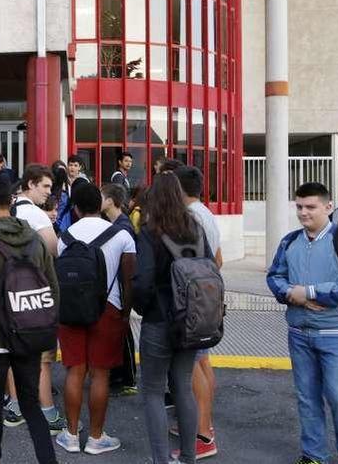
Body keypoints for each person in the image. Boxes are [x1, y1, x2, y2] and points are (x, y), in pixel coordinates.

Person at [266, 182, 338, 464]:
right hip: (299, 332)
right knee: (307, 397)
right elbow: (274, 276)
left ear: (327, 207)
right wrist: (291, 295)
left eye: (310, 207)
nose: (303, 213)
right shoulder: (289, 241)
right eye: (299, 207)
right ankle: (313, 454)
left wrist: (308, 292)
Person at [0, 176, 59, 464]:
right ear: (12, 201)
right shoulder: (34, 240)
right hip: (30, 334)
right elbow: (53, 288)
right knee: (31, 404)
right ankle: (48, 460)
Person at [133, 173, 211, 464]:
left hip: (159, 318)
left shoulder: (150, 231)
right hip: (191, 319)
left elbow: (142, 281)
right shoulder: (195, 228)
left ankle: (161, 460)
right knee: (183, 385)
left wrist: (142, 307)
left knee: (153, 391)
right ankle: (189, 457)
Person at [55, 184, 135, 456]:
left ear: (75, 208)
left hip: (71, 309)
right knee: (100, 373)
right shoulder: (122, 235)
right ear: (99, 205)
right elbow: (128, 281)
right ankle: (96, 438)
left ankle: (72, 435)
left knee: (75, 370)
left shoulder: (64, 237)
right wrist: (125, 315)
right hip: (109, 309)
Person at [10, 164, 65, 434]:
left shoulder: (7, 207)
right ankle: (47, 411)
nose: (48, 192)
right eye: (44, 186)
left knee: (11, 349)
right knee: (43, 357)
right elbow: (54, 249)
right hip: (36, 291)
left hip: (7, 290)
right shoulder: (35, 214)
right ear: (30, 184)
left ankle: (15, 405)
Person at [174, 165, 223, 459]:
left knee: (192, 367)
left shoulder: (190, 217)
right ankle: (203, 423)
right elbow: (218, 259)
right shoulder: (206, 212)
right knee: (202, 363)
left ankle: (202, 435)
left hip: (194, 301)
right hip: (205, 297)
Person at [100, 184, 138, 398]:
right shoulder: (114, 223)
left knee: (124, 332)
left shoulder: (123, 227)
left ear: (111, 201)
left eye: (102, 197)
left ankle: (129, 378)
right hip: (116, 289)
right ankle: (119, 375)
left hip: (122, 289)